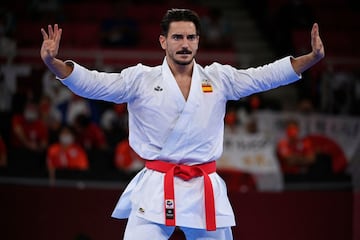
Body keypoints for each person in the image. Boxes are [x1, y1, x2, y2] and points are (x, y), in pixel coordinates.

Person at [40, 8, 324, 240]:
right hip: (156, 185)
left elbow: (263, 76)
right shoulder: (141, 80)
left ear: (199, 41)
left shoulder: (218, 79)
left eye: (190, 37)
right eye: (177, 37)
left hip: (204, 188)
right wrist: (54, 64)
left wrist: (309, 59)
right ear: (163, 41)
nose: (184, 44)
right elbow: (94, 84)